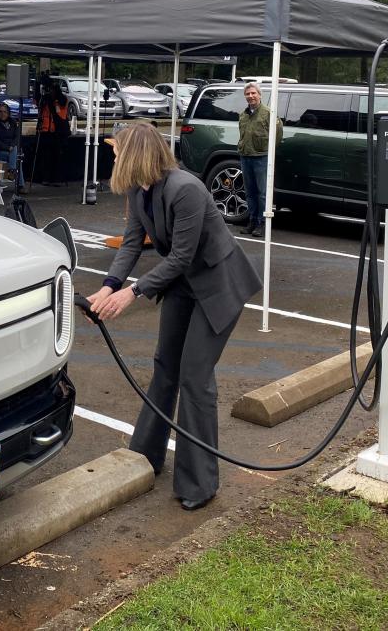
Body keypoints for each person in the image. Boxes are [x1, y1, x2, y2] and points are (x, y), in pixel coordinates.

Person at [87, 122, 261, 511]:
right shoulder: (138, 188)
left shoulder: (186, 189)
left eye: (117, 149)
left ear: (134, 152)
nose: (113, 155)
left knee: (195, 378)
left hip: (218, 285)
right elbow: (133, 241)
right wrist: (108, 285)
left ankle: (199, 483)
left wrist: (132, 293)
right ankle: (145, 458)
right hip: (184, 283)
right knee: (165, 365)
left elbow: (181, 255)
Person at [236, 82, 282, 238]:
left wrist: (266, 150)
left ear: (260, 95)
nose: (251, 96)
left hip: (261, 157)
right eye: (248, 94)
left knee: (263, 193)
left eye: (253, 93)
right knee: (250, 192)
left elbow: (277, 135)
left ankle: (262, 223)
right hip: (246, 156)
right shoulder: (243, 114)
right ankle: (252, 221)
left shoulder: (268, 113)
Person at [36, 82, 70, 186]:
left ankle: (56, 178)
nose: (50, 92)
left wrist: (51, 101)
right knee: (46, 157)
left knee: (56, 156)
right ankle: (45, 178)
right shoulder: (44, 99)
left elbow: (60, 115)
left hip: (57, 133)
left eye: (52, 90)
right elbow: (38, 103)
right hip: (45, 132)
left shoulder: (62, 100)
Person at [0, 103, 24, 189]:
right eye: (0, 111)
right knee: (16, 157)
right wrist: (7, 148)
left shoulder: (12, 122)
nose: (2, 113)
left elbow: (17, 136)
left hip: (12, 149)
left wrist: (11, 146)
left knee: (15, 152)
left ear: (8, 112)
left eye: (5, 111)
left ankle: (12, 171)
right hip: (1, 151)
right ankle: (20, 184)